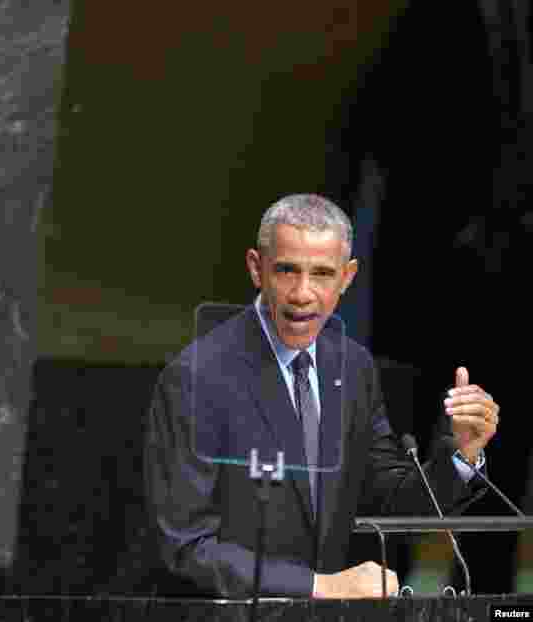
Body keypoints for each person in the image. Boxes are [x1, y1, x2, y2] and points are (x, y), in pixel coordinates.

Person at [144, 194, 499, 598]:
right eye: (287, 270)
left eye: (322, 274)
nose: (302, 293)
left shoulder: (353, 368)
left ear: (347, 278)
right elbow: (186, 547)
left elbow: (390, 500)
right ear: (256, 269)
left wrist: (463, 456)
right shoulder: (196, 377)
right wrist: (321, 586)